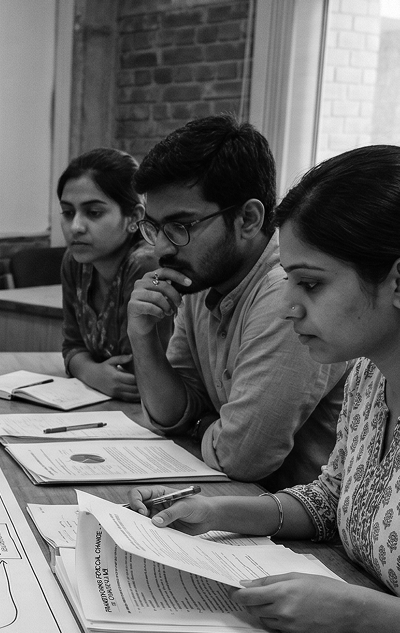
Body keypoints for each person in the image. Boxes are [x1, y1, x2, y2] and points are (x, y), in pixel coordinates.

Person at [129, 145, 400, 633]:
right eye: (289, 278)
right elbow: (331, 501)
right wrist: (219, 511)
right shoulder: (370, 370)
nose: (289, 304)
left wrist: (360, 611)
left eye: (310, 283)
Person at [126, 116, 348, 491]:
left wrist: (201, 424)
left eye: (181, 226)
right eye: (155, 228)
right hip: (236, 505)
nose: (162, 248)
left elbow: (243, 458)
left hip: (304, 534)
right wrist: (143, 337)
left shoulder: (286, 293)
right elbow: (174, 415)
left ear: (248, 218)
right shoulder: (201, 276)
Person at [58, 148, 167, 401]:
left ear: (134, 217)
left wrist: (89, 370)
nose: (76, 227)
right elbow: (71, 346)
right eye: (67, 212)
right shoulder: (75, 261)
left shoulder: (146, 266)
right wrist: (92, 372)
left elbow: (136, 376)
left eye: (94, 213)